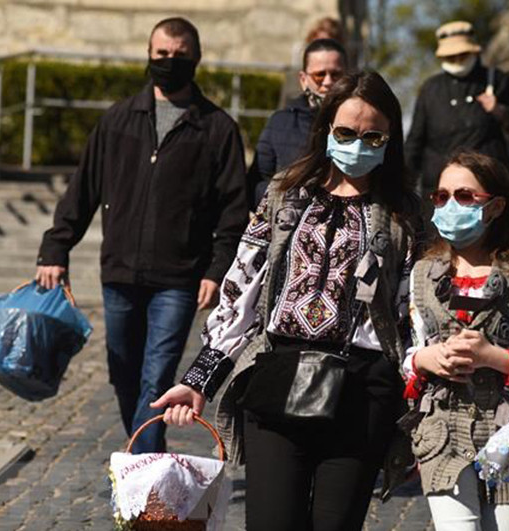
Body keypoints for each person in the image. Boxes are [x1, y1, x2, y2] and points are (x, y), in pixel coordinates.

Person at [151, 70, 421, 531]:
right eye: (346, 133)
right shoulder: (285, 195)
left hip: (364, 391)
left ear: (389, 140)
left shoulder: (405, 213)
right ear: (326, 131)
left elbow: (414, 314)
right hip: (279, 376)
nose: (358, 144)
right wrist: (200, 380)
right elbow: (242, 290)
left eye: (372, 136)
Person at [35, 17, 249, 453]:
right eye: (162, 55)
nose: (170, 62)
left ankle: (143, 468)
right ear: (149, 56)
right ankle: (145, 450)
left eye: (180, 55)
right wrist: (55, 246)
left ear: (196, 58)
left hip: (179, 278)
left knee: (156, 375)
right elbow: (83, 188)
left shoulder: (217, 129)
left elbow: (233, 211)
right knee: (124, 372)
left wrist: (217, 269)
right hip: (119, 274)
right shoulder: (118, 120)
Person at [404, 149, 509, 531]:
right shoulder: (421, 276)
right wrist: (425, 360)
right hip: (441, 434)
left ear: (496, 206)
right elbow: (407, 352)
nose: (451, 205)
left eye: (464, 196)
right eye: (442, 196)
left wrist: (498, 358)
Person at [405, 20, 509, 196]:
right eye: (451, 56)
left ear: (474, 51)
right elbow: (414, 142)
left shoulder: (496, 80)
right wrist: (404, 188)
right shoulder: (430, 89)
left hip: (488, 187)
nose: (457, 60)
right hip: (439, 191)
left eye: (463, 54)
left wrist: (500, 111)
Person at [247, 38, 347, 206]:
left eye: (336, 74)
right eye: (319, 75)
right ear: (303, 79)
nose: (328, 82)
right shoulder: (281, 122)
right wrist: (283, 206)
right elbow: (258, 180)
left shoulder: (362, 123)